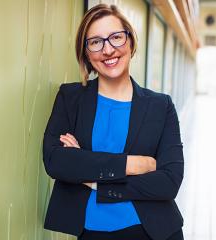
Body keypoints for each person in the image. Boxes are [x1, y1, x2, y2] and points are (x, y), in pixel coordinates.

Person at [42, 4, 184, 240]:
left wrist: (92, 178)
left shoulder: (161, 106)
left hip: (153, 231)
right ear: (86, 52)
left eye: (116, 37)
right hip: (91, 232)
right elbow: (56, 161)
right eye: (96, 42)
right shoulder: (70, 98)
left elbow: (169, 181)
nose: (108, 50)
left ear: (130, 41)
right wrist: (132, 165)